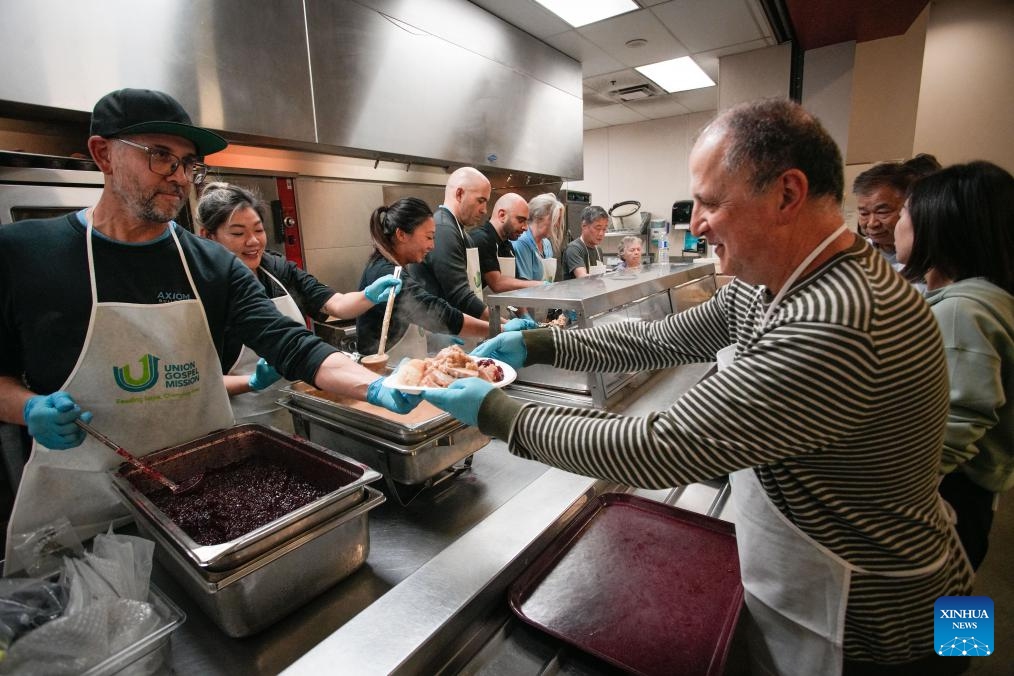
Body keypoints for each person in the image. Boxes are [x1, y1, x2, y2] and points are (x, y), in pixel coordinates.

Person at [423, 99, 973, 675]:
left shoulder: (834, 320)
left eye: (710, 202)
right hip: (841, 577)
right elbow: (658, 341)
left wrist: (500, 414)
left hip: (888, 622)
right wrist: (541, 344)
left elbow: (659, 447)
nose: (697, 223)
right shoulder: (770, 284)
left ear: (787, 194)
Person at [0, 88, 418, 566]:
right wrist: (27, 407)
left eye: (188, 163)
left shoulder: (211, 265)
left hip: (200, 515)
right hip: (82, 526)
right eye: (161, 157)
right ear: (103, 154)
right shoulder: (24, 255)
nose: (179, 177)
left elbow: (291, 344)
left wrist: (379, 387)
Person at [197, 182, 402, 429]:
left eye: (259, 230)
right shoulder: (201, 291)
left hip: (298, 406)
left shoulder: (277, 269)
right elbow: (199, 382)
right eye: (238, 234)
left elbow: (336, 305)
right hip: (243, 419)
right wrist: (252, 381)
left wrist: (368, 296)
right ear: (207, 236)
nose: (253, 242)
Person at [894, 161, 1014, 571]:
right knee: (961, 591)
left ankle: (965, 641)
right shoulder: (980, 298)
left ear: (939, 224)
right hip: (971, 490)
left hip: (954, 494)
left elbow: (952, 428)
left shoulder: (962, 311)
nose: (896, 222)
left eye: (905, 212)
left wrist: (887, 501)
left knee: (953, 597)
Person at [356, 198, 527, 359]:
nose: (432, 245)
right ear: (401, 235)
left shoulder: (394, 266)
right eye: (428, 237)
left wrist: (435, 337)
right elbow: (434, 310)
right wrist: (500, 328)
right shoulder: (386, 273)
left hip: (403, 361)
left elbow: (415, 314)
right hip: (384, 369)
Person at [410, 167, 492, 323]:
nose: (484, 210)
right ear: (460, 194)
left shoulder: (460, 232)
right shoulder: (443, 229)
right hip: (440, 332)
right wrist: (502, 325)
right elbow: (460, 296)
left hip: (457, 329)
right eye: (481, 201)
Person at [852, 153, 941, 269]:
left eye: (882, 212)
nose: (872, 223)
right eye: (864, 213)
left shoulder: (933, 260)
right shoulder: (853, 254)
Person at [468, 192, 544, 294]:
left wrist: (523, 311)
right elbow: (497, 284)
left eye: (526, 222)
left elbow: (514, 285)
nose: (526, 228)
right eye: (521, 220)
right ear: (502, 215)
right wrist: (540, 285)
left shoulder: (507, 244)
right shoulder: (481, 239)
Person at [513, 193, 562, 283]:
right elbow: (525, 288)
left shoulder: (546, 244)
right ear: (539, 217)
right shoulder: (522, 242)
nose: (557, 225)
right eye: (553, 219)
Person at [562, 205, 608, 279]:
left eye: (604, 229)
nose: (601, 233)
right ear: (584, 226)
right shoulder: (574, 249)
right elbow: (583, 278)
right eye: (598, 228)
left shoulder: (598, 250)